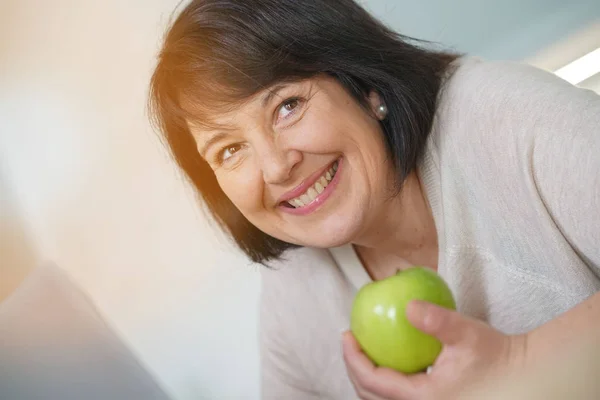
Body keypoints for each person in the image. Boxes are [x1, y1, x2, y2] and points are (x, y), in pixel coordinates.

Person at [148, 0, 600, 399]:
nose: (275, 168)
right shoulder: (295, 294)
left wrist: (517, 366)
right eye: (230, 150)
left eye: (287, 106)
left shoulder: (505, 116)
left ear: (366, 87)